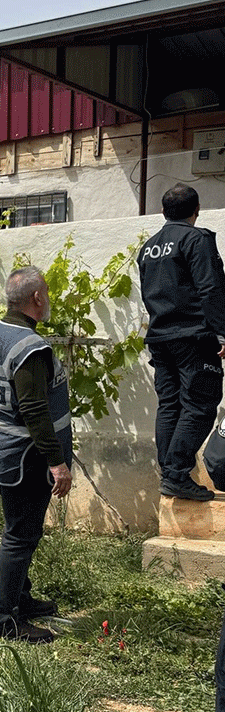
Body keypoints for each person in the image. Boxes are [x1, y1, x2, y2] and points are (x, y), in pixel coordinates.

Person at [0, 266, 73, 643]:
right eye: (46, 291)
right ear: (37, 298)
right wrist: (57, 463)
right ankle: (4, 620)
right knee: (19, 535)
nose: (47, 297)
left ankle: (21, 599)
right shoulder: (30, 348)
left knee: (23, 531)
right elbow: (34, 410)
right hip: (24, 458)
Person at [138, 183, 225, 502]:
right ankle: (176, 474)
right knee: (200, 403)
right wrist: (223, 331)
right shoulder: (196, 239)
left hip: (161, 338)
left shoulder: (148, 247)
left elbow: (149, 293)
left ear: (163, 212)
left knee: (171, 404)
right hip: (193, 337)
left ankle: (171, 473)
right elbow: (210, 288)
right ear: (196, 210)